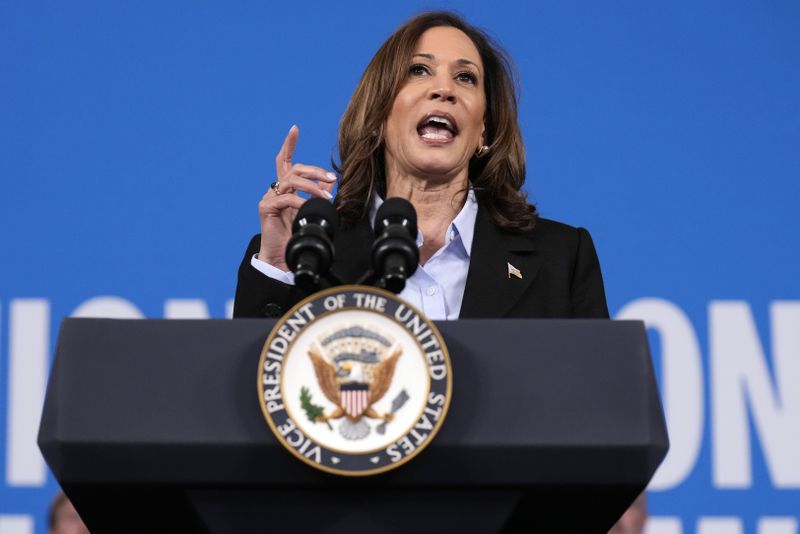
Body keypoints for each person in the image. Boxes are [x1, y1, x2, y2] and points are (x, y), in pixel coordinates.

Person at [234, 11, 608, 320]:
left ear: (484, 130)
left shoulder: (562, 258)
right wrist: (281, 267)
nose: (444, 89)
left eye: (465, 78)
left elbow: (600, 405)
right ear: (379, 114)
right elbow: (253, 395)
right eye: (419, 71)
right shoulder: (310, 254)